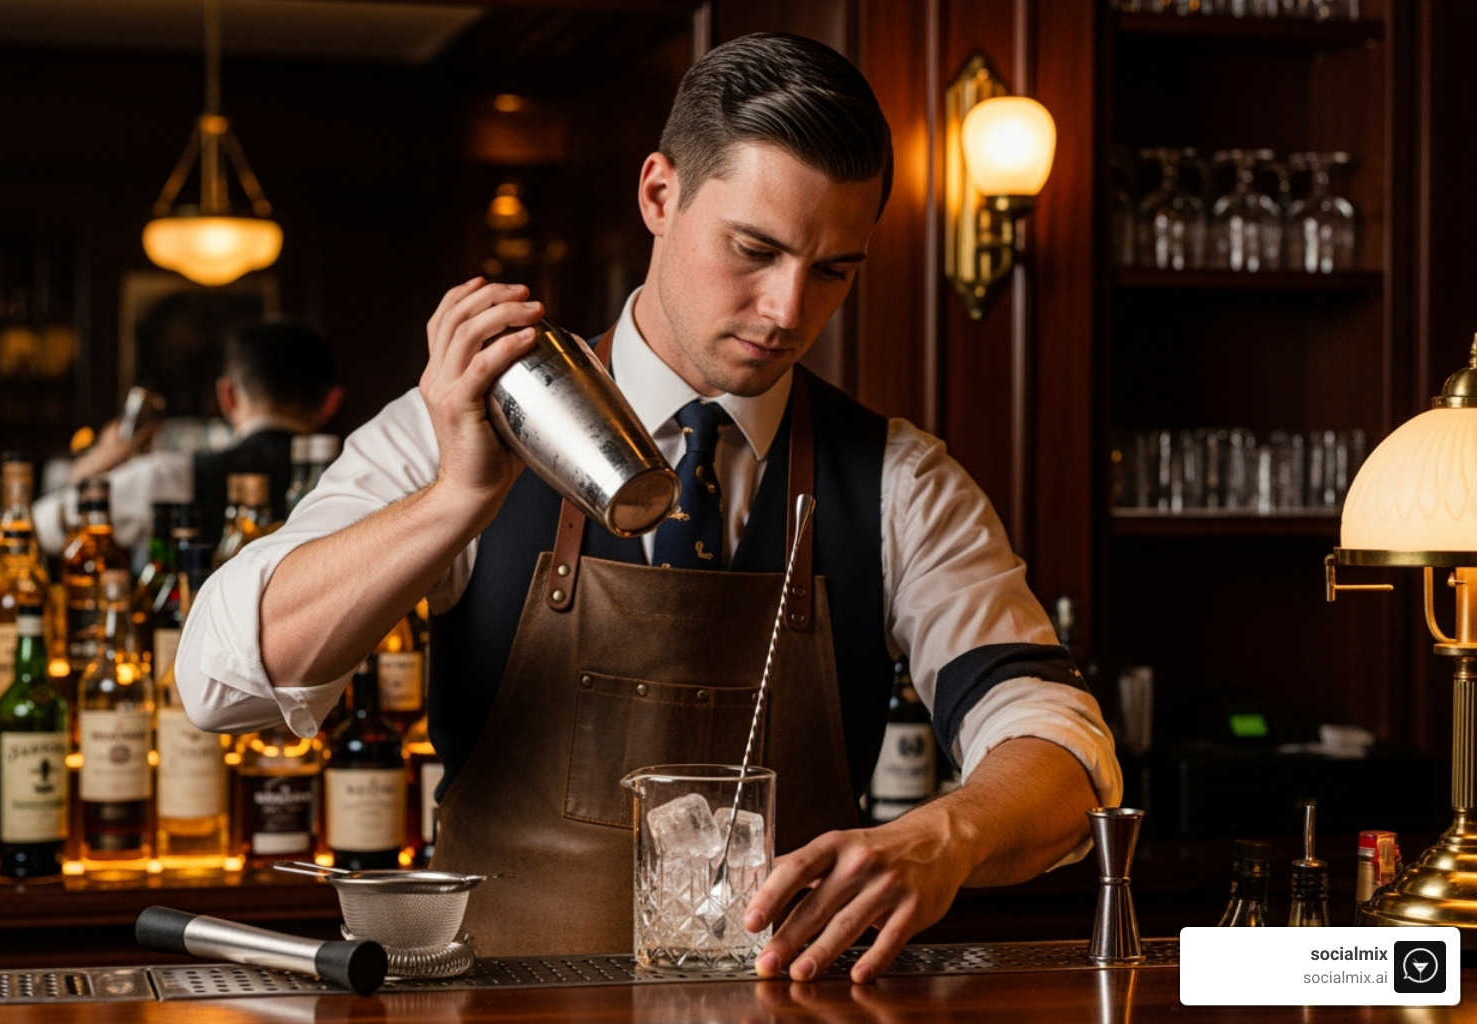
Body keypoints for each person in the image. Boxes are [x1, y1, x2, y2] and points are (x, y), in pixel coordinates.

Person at [177, 33, 1119, 982]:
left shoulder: (898, 481)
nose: (788, 310)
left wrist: (948, 833)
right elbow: (222, 682)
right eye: (755, 250)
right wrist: (454, 501)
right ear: (659, 193)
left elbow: (1062, 744)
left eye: (834, 270)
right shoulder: (462, 423)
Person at [34, 320, 343, 553]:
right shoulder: (358, 478)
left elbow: (39, 526)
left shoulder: (170, 477)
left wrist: (93, 465)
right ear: (331, 402)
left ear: (228, 395)